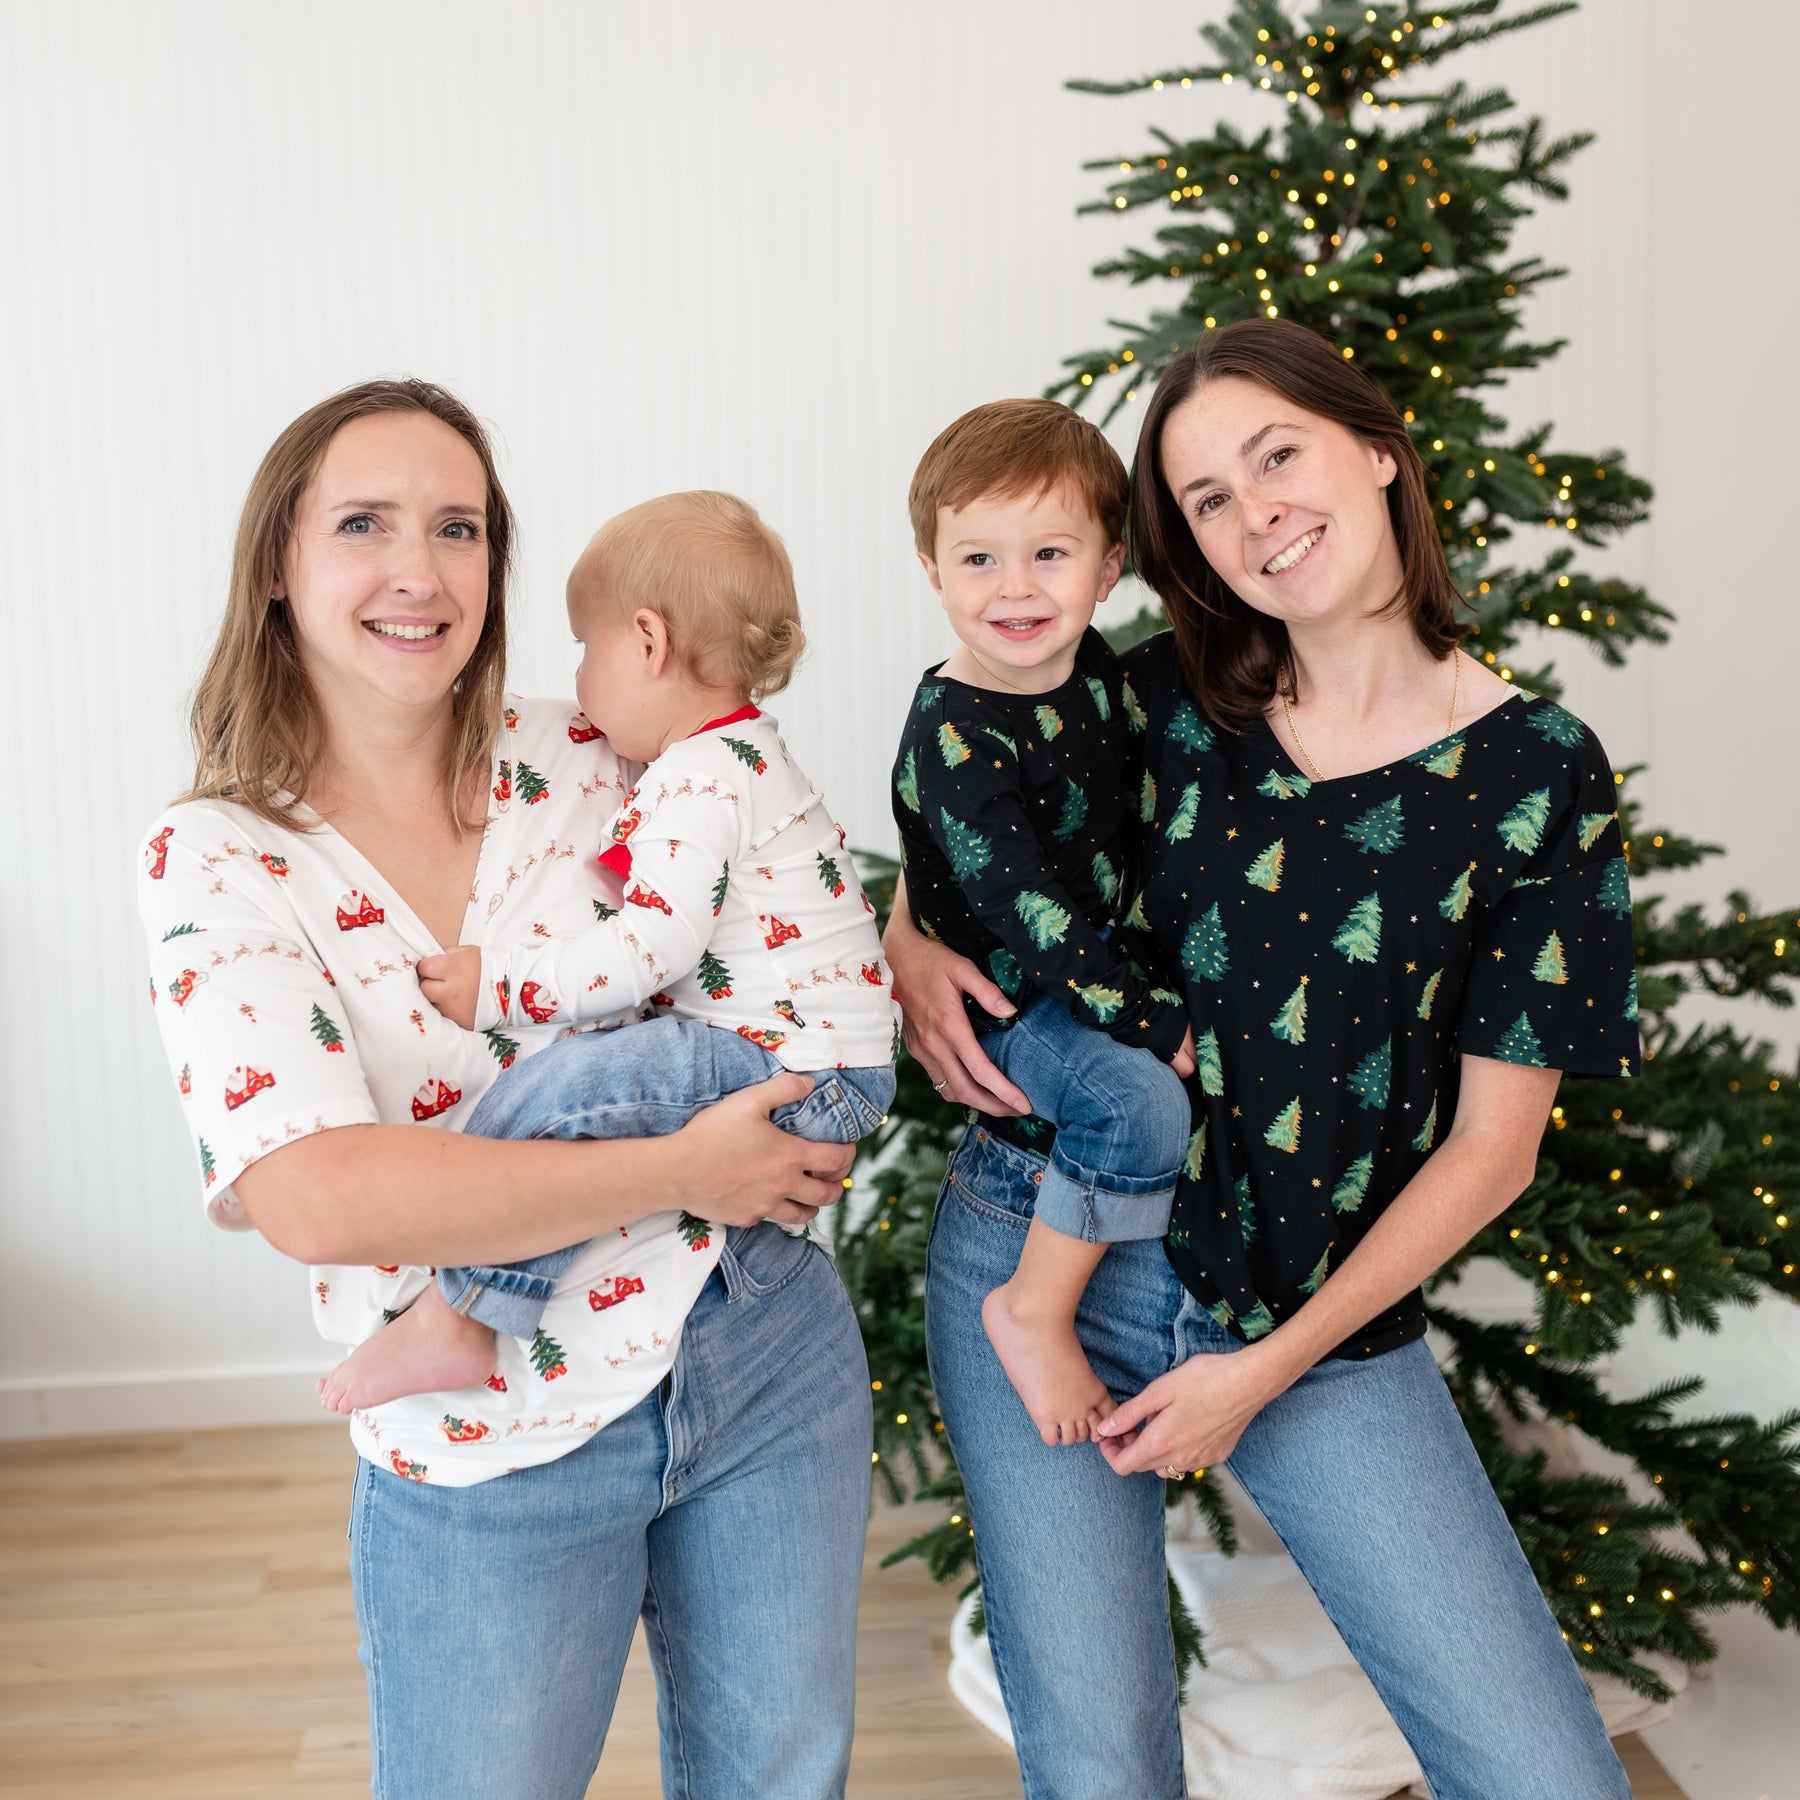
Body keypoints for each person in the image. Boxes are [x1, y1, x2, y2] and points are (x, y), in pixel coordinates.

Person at [885, 319, 1638, 1800]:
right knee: (1099, 1771)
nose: (1254, 513)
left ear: (1376, 450)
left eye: (1276, 456)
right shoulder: (1153, 692)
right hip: (1041, 1257)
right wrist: (909, 934)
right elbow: (972, 801)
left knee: (1547, 1775)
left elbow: (1494, 1149)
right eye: (1208, 500)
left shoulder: (1538, 775)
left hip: (1310, 1315)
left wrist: (1265, 1368)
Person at [137, 380, 871, 1800]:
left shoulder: (602, 746)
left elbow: (782, 878)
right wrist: (680, 1171)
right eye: (366, 524)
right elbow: (317, 1193)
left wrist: (911, 950)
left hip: (760, 1346)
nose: (421, 570)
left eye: (458, 528)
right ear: (279, 567)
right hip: (490, 1443)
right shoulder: (215, 856)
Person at [319, 490, 897, 1412]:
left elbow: (651, 949)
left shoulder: (700, 782)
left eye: (586, 649)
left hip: (793, 1065)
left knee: (550, 1097)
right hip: (818, 1057)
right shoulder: (737, 756)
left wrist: (497, 984)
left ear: (647, 642)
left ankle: (463, 1317)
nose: (579, 679)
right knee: (576, 1096)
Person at [893, 400, 1195, 1447]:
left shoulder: (1103, 673)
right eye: (978, 558)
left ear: (1108, 569)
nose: (1014, 588)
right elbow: (1033, 922)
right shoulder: (955, 735)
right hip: (1011, 998)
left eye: (1049, 554)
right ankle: (1034, 1306)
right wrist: (1157, 1022)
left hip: (1081, 972)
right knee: (1140, 1106)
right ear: (933, 570)